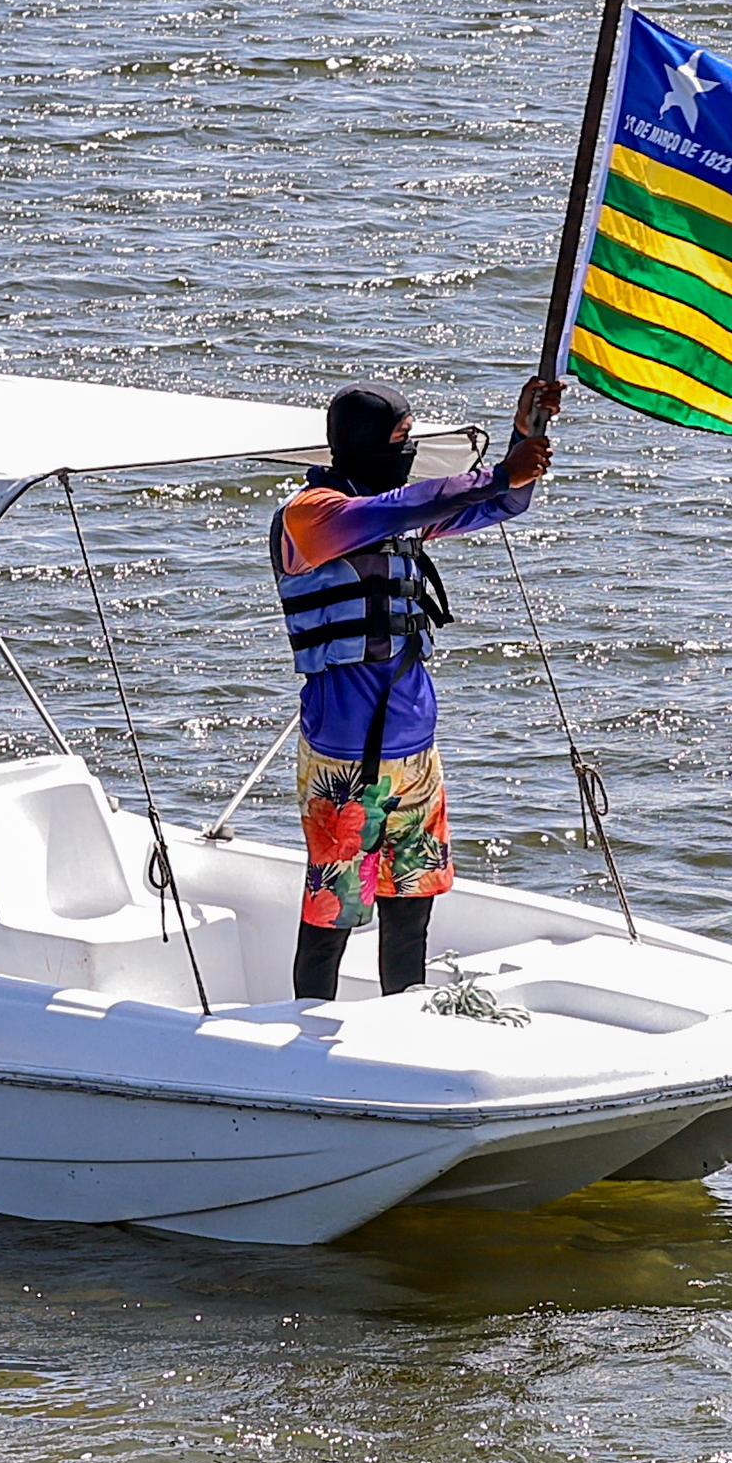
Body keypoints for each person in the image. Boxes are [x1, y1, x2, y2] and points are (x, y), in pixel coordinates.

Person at [270, 375, 557, 1002]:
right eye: (399, 438)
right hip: (344, 760)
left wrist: (526, 436)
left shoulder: (399, 512)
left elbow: (505, 505)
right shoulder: (312, 517)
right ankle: (306, 1039)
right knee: (333, 917)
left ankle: (406, 1024)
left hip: (417, 754)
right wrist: (495, 473)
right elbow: (396, 510)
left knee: (412, 914)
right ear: (362, 442)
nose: (407, 451)